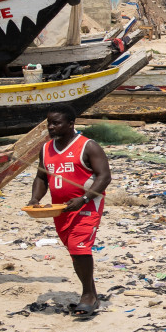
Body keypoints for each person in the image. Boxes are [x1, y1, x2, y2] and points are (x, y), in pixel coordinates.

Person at [28, 105, 111, 315]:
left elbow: (104, 177)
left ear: (71, 124)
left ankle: (87, 296)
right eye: (49, 123)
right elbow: (41, 176)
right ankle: (92, 296)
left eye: (56, 123)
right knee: (74, 252)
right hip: (60, 209)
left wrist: (84, 199)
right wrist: (35, 198)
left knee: (79, 246)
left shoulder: (88, 146)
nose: (51, 127)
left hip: (87, 204)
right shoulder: (46, 149)